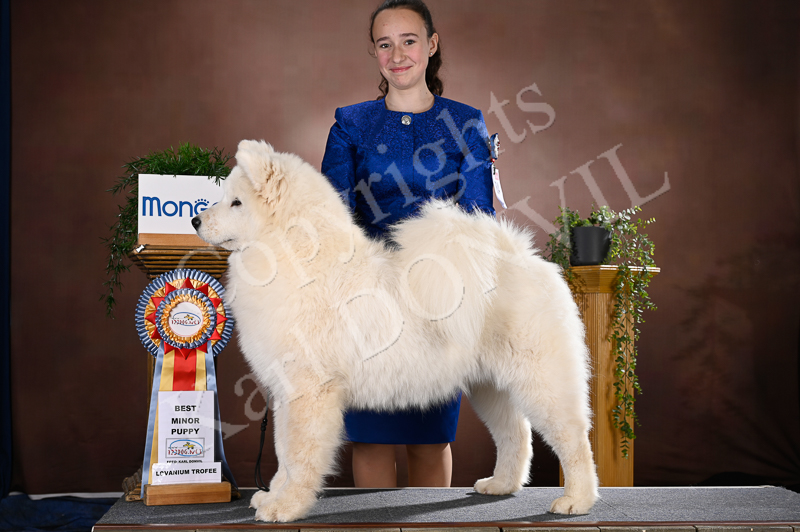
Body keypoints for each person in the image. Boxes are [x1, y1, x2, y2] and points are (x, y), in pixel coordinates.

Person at [320, 0, 495, 488]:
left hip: (440, 302)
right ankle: (376, 523)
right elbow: (333, 217)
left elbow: (478, 219)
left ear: (431, 45)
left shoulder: (466, 123)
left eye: (409, 41)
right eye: (385, 44)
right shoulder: (351, 124)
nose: (397, 55)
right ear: (374, 52)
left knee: (430, 438)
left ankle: (429, 523)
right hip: (366, 303)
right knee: (370, 439)